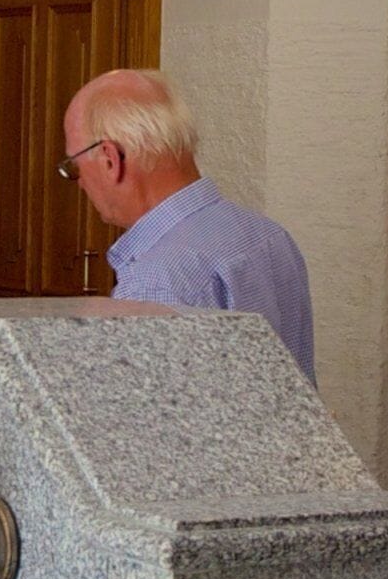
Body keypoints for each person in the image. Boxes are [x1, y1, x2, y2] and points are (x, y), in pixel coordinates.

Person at [58, 68, 314, 376]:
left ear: (110, 159)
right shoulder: (268, 235)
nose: (81, 183)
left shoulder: (153, 285)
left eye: (74, 168)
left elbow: (143, 420)